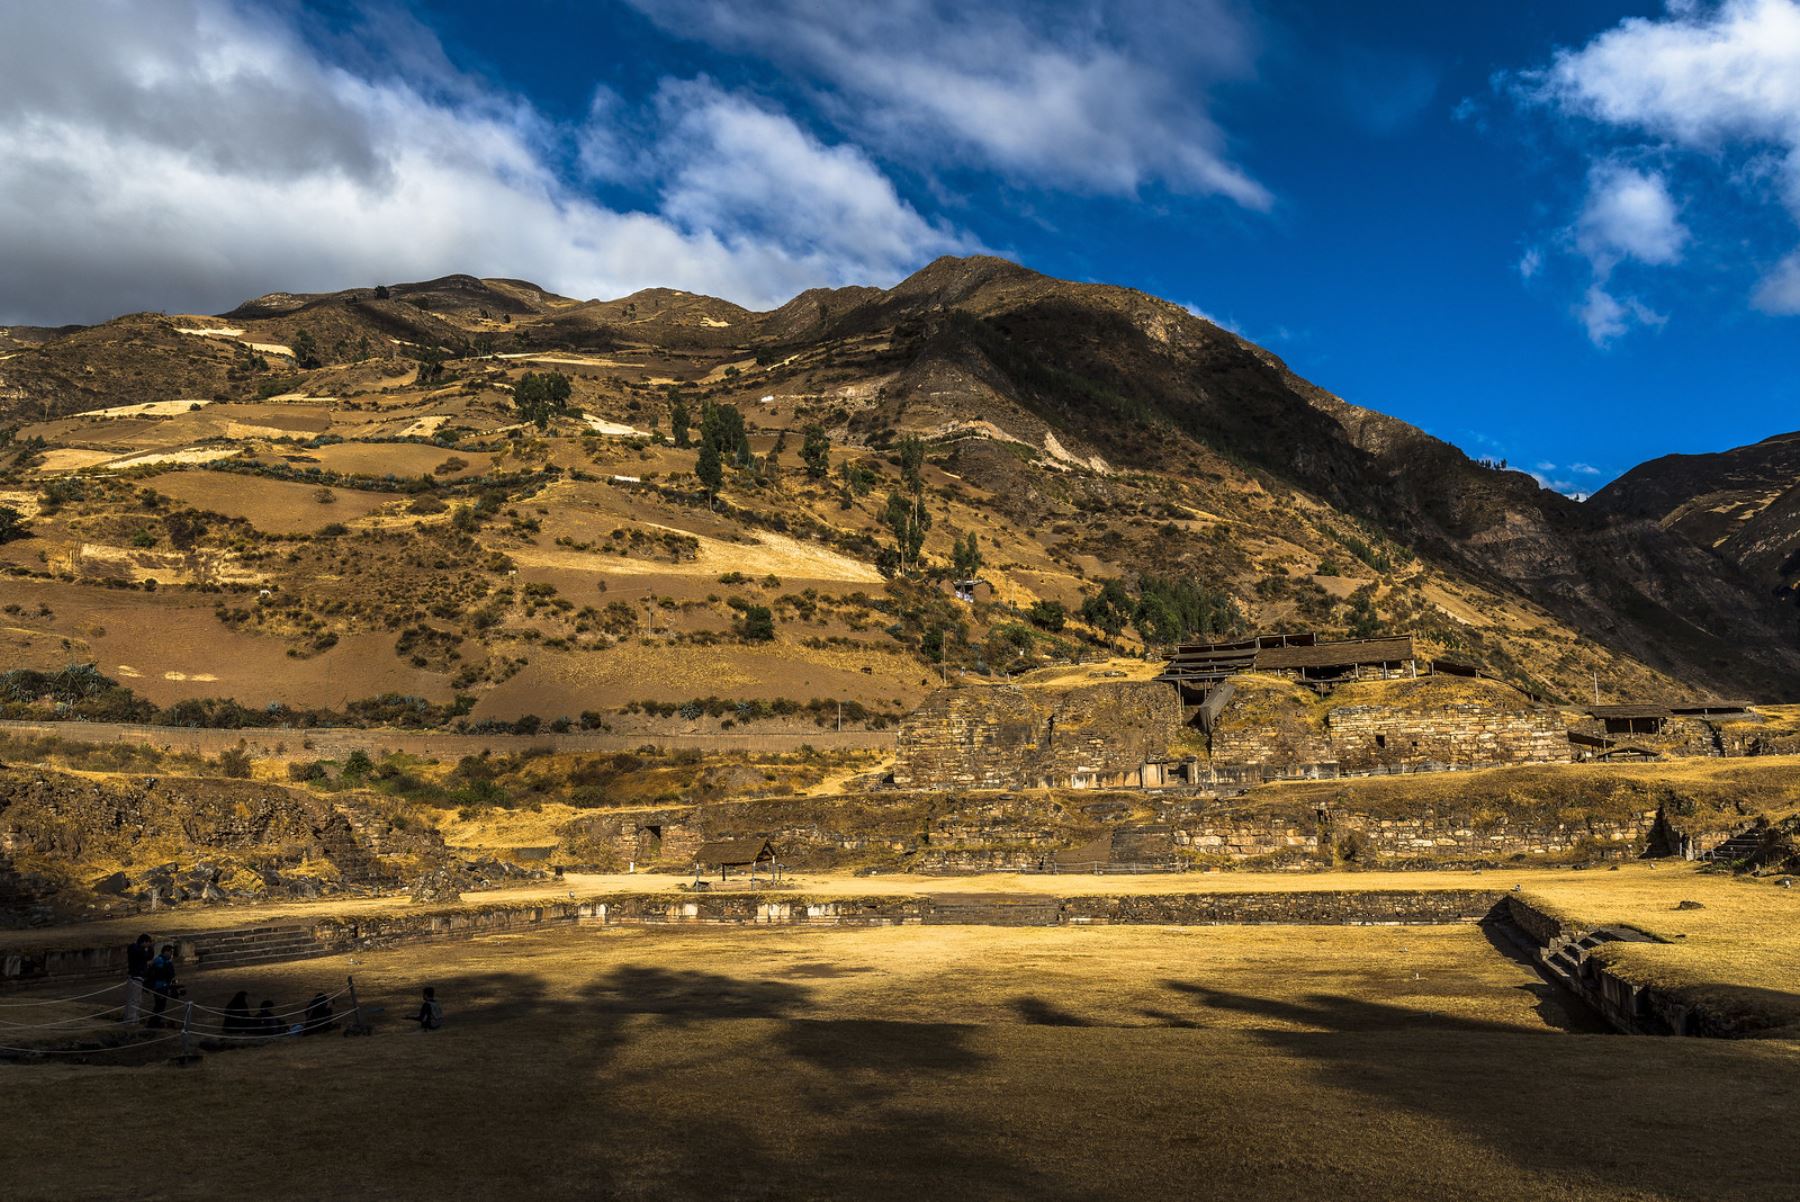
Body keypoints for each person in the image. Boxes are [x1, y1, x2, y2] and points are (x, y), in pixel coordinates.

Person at [144, 944, 178, 1029]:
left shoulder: (162, 960)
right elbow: (163, 974)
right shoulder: (160, 961)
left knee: (160, 1005)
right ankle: (153, 1023)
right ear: (166, 951)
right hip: (159, 986)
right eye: (170, 952)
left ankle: (155, 1022)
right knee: (159, 1005)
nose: (171, 955)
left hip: (162, 985)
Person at [123, 934, 154, 1024]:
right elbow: (147, 956)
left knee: (136, 999)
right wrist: (150, 949)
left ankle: (133, 1017)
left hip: (136, 977)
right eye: (148, 943)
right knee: (134, 999)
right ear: (144, 942)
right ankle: (131, 1019)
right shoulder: (136, 949)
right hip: (135, 977)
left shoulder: (136, 949)